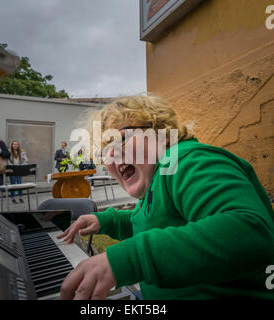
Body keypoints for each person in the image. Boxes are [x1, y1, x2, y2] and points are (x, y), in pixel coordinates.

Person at [57, 95, 274, 300]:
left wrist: (130, 259)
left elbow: (249, 230)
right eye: (104, 151)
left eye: (120, 140)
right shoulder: (158, 178)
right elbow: (151, 222)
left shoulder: (186, 160)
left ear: (159, 133)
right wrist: (107, 220)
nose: (111, 155)